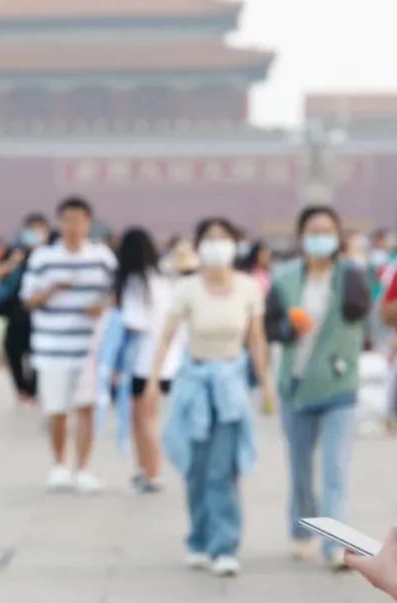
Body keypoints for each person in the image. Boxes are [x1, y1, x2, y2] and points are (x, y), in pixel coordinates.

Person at [146, 217, 275, 577]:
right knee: (196, 468)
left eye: (222, 238)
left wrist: (266, 385)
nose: (216, 244)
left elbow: (257, 340)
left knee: (223, 470)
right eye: (209, 238)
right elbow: (167, 336)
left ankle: (225, 545)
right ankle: (198, 540)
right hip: (195, 385)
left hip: (230, 386)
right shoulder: (187, 288)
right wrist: (154, 380)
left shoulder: (248, 288)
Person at [265, 206, 371, 570]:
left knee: (335, 468)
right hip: (296, 385)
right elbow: (270, 326)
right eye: (314, 231)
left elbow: (361, 311)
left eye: (328, 231)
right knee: (300, 468)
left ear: (338, 237)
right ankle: (301, 529)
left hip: (338, 383)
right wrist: (288, 328)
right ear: (301, 236)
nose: (320, 238)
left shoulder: (351, 275)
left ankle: (335, 545)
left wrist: (353, 272)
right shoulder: (285, 278)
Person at [21, 196, 117, 493]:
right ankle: (60, 464)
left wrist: (103, 306)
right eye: (67, 221)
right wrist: (51, 290)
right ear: (59, 223)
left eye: (78, 221)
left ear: (88, 223)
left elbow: (117, 294)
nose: (73, 226)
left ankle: (84, 468)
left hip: (90, 348)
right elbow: (27, 300)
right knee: (57, 409)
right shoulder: (43, 258)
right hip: (52, 347)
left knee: (86, 408)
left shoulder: (102, 258)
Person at [113, 227, 183, 493]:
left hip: (143, 361)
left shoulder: (136, 283)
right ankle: (144, 470)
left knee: (143, 420)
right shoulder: (163, 281)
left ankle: (152, 473)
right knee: (144, 418)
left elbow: (134, 322)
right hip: (166, 360)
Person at [0, 213, 48, 404]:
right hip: (15, 310)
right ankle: (21, 389)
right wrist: (14, 261)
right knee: (12, 349)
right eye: (31, 229)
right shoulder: (14, 252)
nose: (34, 233)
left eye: (38, 229)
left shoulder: (49, 254)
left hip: (39, 311)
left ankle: (34, 389)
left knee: (37, 351)